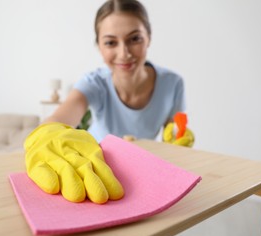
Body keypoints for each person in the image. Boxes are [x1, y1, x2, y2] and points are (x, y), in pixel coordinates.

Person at [24, 0, 194, 205]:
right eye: (111, 42)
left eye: (135, 39)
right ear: (98, 45)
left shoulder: (173, 83)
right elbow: (62, 115)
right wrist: (47, 133)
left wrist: (178, 139)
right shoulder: (93, 83)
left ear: (148, 38)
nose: (124, 53)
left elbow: (175, 129)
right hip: (95, 171)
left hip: (143, 174)